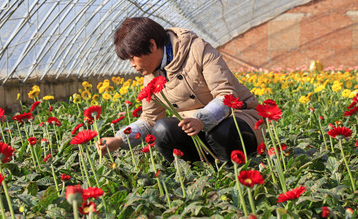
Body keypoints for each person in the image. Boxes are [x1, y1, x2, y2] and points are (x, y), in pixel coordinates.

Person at [98, 17, 263, 164]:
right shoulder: (150, 76)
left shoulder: (199, 50)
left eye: (133, 58)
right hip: (194, 129)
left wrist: (201, 120)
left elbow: (226, 96)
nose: (132, 65)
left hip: (237, 118)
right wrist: (120, 139)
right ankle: (196, 177)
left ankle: (232, 175)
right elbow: (149, 120)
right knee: (162, 130)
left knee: (220, 131)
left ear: (152, 45)